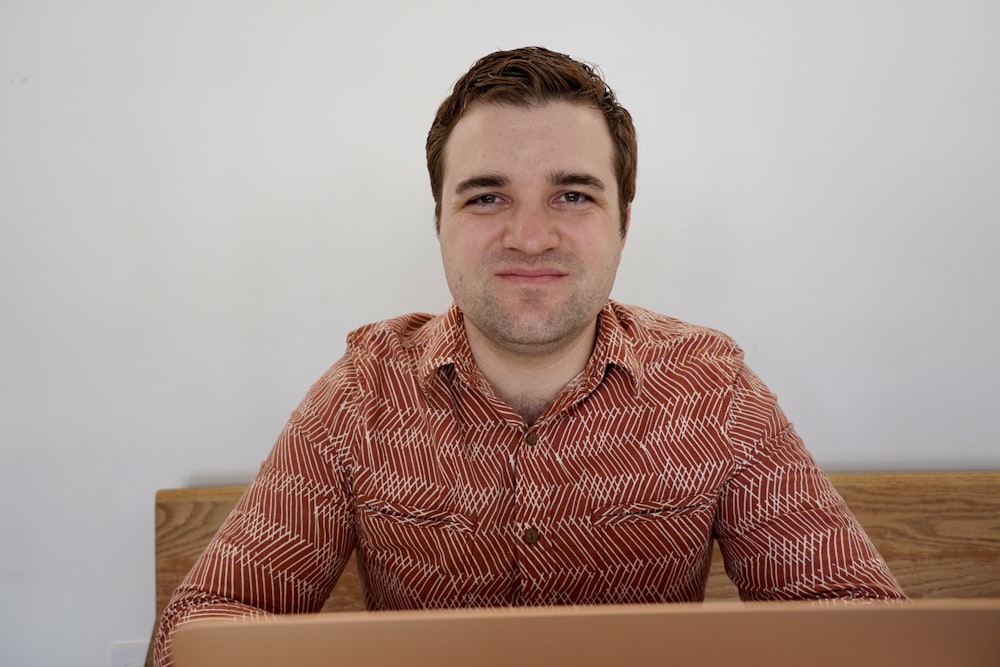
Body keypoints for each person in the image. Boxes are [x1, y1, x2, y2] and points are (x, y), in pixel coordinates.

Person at [153, 46, 905, 666]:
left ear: (624, 222)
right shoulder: (360, 393)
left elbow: (866, 631)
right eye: (486, 197)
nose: (531, 236)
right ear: (440, 221)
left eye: (573, 195)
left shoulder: (714, 390)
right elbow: (198, 628)